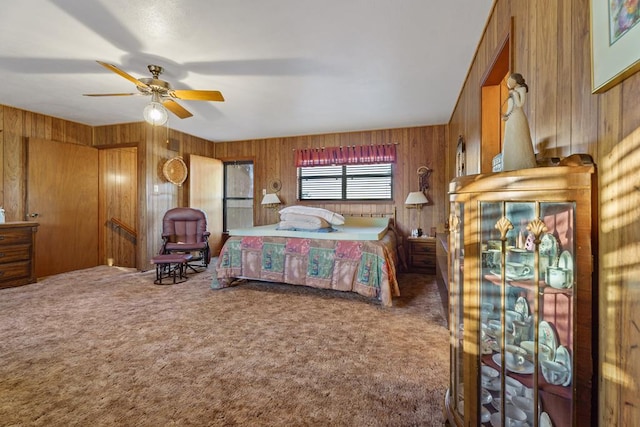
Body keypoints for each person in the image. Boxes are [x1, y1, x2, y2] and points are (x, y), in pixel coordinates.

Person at [501, 73, 536, 171]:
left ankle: (521, 164)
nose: (508, 83)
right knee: (511, 140)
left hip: (518, 118)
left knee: (519, 139)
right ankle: (510, 165)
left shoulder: (521, 90)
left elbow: (520, 104)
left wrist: (514, 94)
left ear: (516, 81)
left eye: (510, 80)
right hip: (511, 119)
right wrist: (506, 116)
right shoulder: (513, 92)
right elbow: (510, 107)